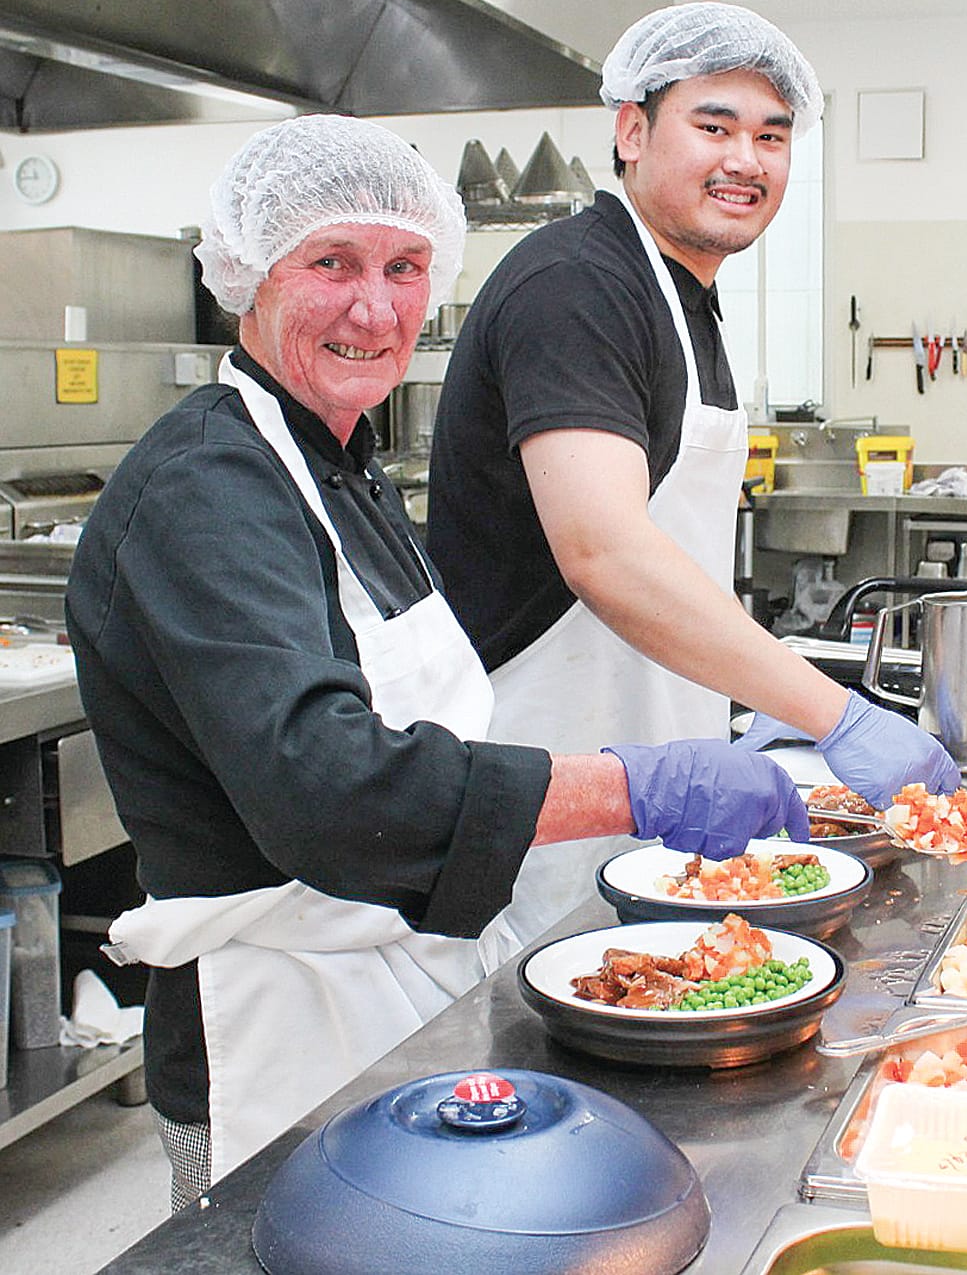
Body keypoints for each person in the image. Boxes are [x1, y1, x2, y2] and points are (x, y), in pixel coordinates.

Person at [64, 113, 809, 1206]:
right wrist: (636, 785)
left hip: (396, 995)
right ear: (247, 276)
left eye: (405, 268)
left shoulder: (343, 468)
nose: (375, 308)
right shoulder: (207, 491)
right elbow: (327, 786)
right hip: (275, 1028)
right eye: (332, 264)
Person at [426, 2, 959, 807]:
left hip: (648, 762)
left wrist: (743, 705)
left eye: (771, 137)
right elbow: (605, 552)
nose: (746, 160)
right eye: (715, 127)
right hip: (538, 776)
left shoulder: (683, 294)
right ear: (631, 132)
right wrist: (830, 713)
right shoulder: (577, 285)